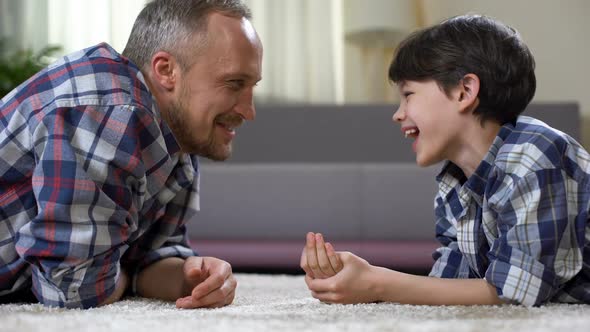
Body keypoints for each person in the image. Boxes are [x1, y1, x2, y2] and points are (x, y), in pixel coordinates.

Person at [300, 14, 590, 306]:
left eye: (408, 94)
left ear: (464, 91)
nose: (398, 114)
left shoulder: (534, 156)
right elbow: (449, 285)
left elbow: (517, 291)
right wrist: (355, 281)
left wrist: (377, 283)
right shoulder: (454, 181)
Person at [0, 0, 262, 309]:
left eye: (252, 87)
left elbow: (151, 253)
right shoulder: (108, 112)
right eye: (234, 83)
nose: (249, 111)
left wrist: (189, 275)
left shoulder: (178, 142)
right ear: (166, 70)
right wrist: (123, 273)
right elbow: (73, 288)